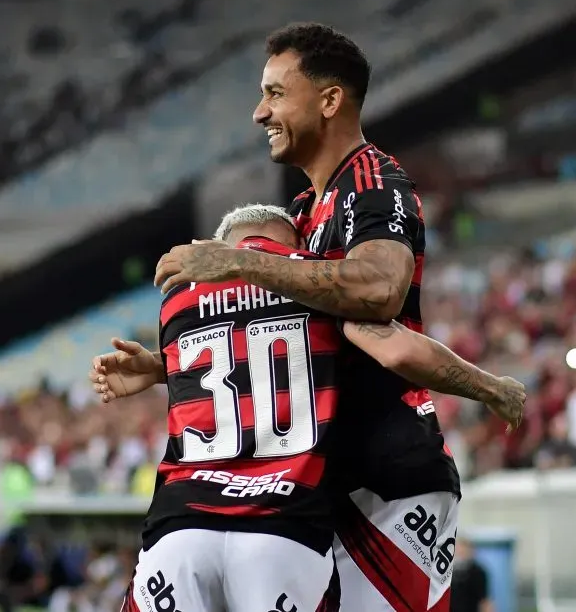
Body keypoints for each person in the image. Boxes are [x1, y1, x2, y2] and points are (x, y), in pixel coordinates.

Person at [147, 23, 479, 610]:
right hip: (320, 481)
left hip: (391, 485)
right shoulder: (303, 208)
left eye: (275, 93)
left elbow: (379, 289)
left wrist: (239, 261)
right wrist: (161, 365)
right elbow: (298, 334)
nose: (259, 113)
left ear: (329, 100)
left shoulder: (374, 181)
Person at [94, 205, 526, 612]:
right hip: (283, 529)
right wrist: (492, 388)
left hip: (181, 528)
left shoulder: (177, 299)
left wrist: (159, 367)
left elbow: (232, 358)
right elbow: (399, 351)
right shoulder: (317, 284)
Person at [449, 537, 493, 612]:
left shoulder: (478, 572)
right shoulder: (450, 571)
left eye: (464, 550)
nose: (461, 552)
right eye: (459, 550)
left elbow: (484, 601)